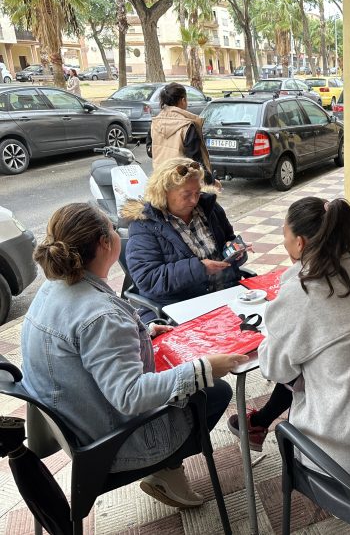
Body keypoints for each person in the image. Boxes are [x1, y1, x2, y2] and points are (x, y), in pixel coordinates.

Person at [20, 203, 246, 508]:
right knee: (215, 392)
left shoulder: (52, 289)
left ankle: (167, 473)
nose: (118, 234)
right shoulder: (100, 315)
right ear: (105, 243)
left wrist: (142, 333)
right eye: (113, 229)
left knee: (193, 381)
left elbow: (85, 347)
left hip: (79, 422)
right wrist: (204, 368)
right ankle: (164, 469)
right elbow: (130, 397)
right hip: (110, 444)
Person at [228, 197, 350, 482]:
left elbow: (275, 369)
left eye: (284, 234)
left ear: (299, 243)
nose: (283, 241)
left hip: (347, 453)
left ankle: (264, 431)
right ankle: (262, 421)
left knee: (298, 374)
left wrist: (273, 334)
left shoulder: (299, 294)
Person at [124, 157, 251, 323]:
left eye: (197, 192)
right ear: (163, 192)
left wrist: (234, 250)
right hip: (180, 306)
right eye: (186, 195)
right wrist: (200, 268)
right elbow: (148, 278)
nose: (194, 200)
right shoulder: (144, 225)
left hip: (225, 294)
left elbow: (229, 239)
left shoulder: (210, 209)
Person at [148, 82, 215, 186]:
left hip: (159, 179)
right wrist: (210, 181)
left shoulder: (155, 123)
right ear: (183, 100)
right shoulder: (187, 126)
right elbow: (195, 160)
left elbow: (150, 151)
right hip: (181, 181)